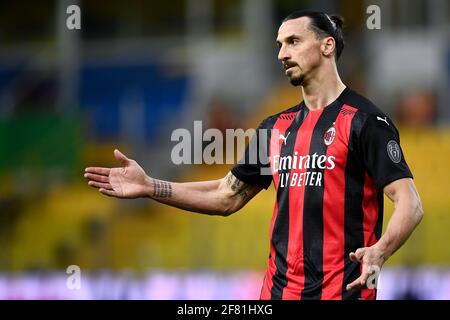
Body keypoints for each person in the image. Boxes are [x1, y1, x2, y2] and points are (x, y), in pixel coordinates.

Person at [84, 10, 423, 300]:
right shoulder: (275, 128)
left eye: (293, 41)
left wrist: (380, 251)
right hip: (277, 294)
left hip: (344, 293)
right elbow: (226, 196)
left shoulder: (366, 121)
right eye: (278, 45)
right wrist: (149, 186)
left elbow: (410, 204)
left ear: (327, 45)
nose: (281, 54)